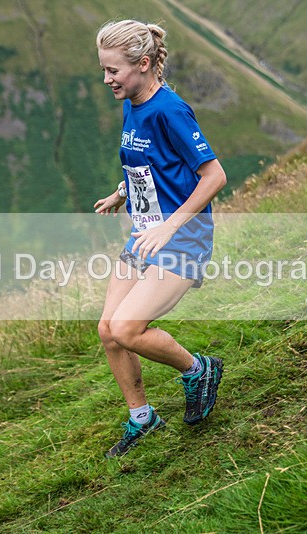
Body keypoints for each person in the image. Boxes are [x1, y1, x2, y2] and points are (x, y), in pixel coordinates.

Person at [93, 19, 227, 458]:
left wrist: (170, 225)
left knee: (127, 328)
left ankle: (198, 370)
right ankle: (143, 418)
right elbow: (149, 163)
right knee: (108, 330)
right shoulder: (132, 103)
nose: (107, 79)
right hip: (145, 237)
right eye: (104, 69)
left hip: (182, 240)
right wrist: (122, 192)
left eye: (113, 70)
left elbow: (214, 176)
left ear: (144, 64)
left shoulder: (170, 110)